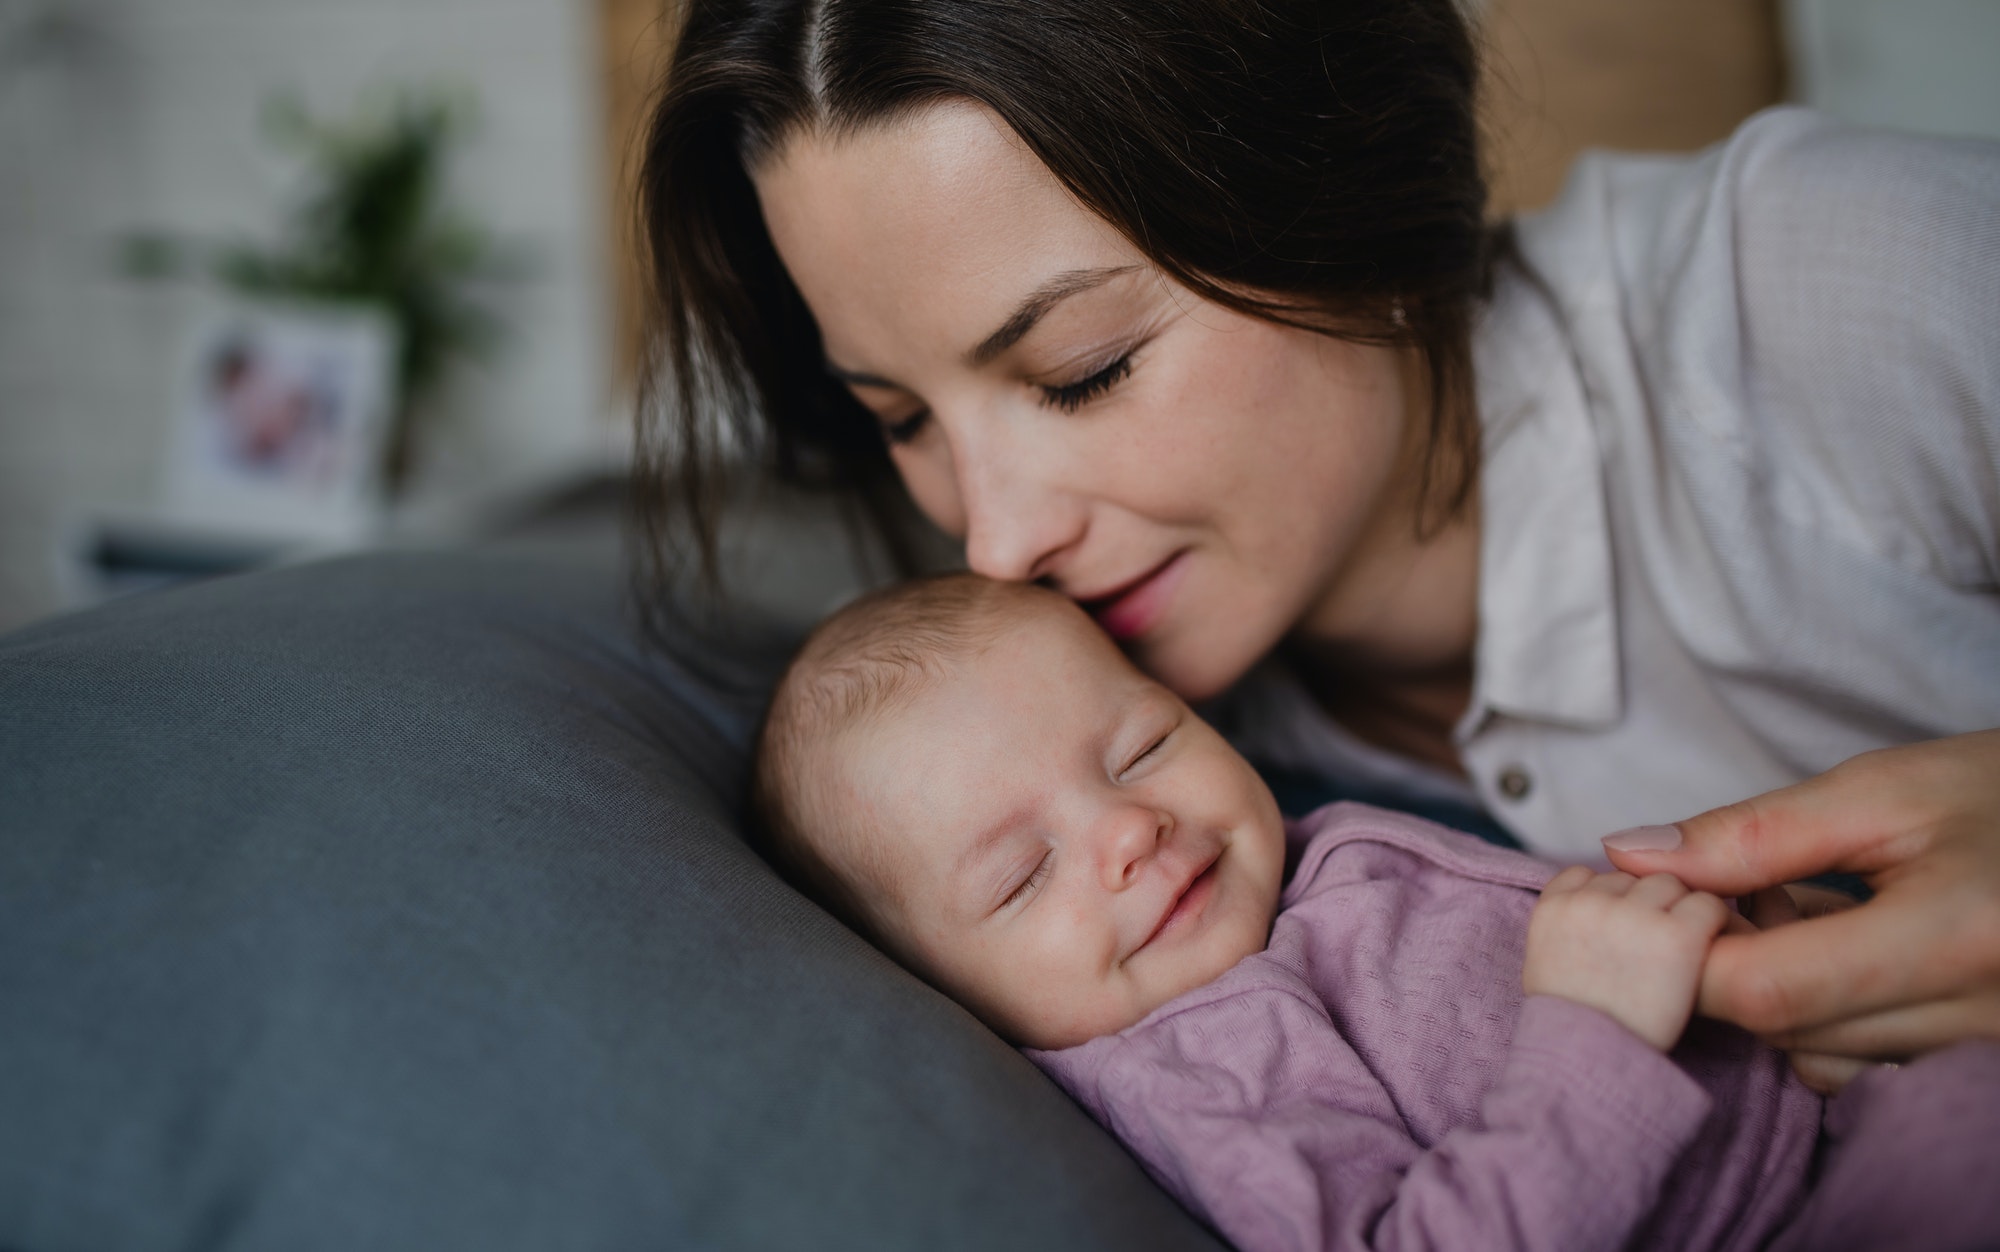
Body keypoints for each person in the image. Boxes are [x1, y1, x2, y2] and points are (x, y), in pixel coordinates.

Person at [635, 0, 2000, 1085]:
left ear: (1344, 188)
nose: (997, 541)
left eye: (1084, 368)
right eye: (899, 416)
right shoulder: (1113, 800)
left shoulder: (1837, 289)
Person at [750, 572, 2000, 1252]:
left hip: (1831, 1110)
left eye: (1141, 748)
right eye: (1021, 877)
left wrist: (1714, 924)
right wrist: (1592, 1039)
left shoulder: (1296, 854)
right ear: (936, 991)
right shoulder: (1203, 1066)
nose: (1128, 828)